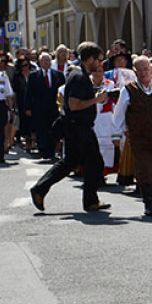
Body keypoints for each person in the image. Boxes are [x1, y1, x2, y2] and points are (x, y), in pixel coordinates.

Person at [30, 42, 110, 212]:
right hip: (79, 127)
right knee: (95, 162)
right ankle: (90, 200)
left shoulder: (78, 74)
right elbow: (74, 105)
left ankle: (40, 188)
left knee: (70, 162)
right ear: (90, 59)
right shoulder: (80, 77)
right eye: (98, 60)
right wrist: (96, 100)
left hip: (75, 126)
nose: (100, 64)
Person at [112, 56, 152, 216]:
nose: (144, 73)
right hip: (138, 137)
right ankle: (148, 202)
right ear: (134, 72)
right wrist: (116, 134)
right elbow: (119, 113)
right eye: (140, 70)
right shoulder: (128, 90)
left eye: (146, 69)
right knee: (144, 169)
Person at [28, 53, 62, 160]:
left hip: (54, 107)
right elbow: (29, 93)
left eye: (48, 60)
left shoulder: (58, 75)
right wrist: (28, 107)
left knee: (53, 129)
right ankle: (43, 150)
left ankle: (51, 150)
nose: (47, 62)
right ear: (40, 62)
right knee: (41, 129)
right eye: (44, 60)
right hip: (39, 108)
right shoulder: (33, 76)